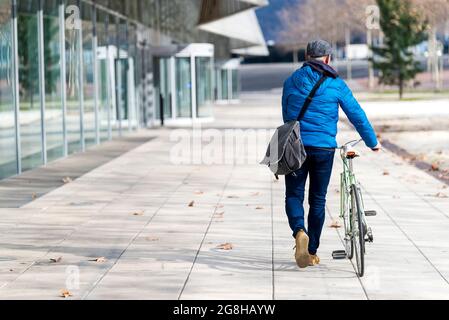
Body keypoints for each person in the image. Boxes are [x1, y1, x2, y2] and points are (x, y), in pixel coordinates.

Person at [282, 39, 381, 269]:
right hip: (324, 148)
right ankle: (312, 250)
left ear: (307, 56)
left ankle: (299, 231)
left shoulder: (291, 81)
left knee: (293, 195)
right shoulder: (336, 84)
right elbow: (356, 114)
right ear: (327, 58)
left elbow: (287, 115)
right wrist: (372, 141)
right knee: (318, 199)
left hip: (296, 146)